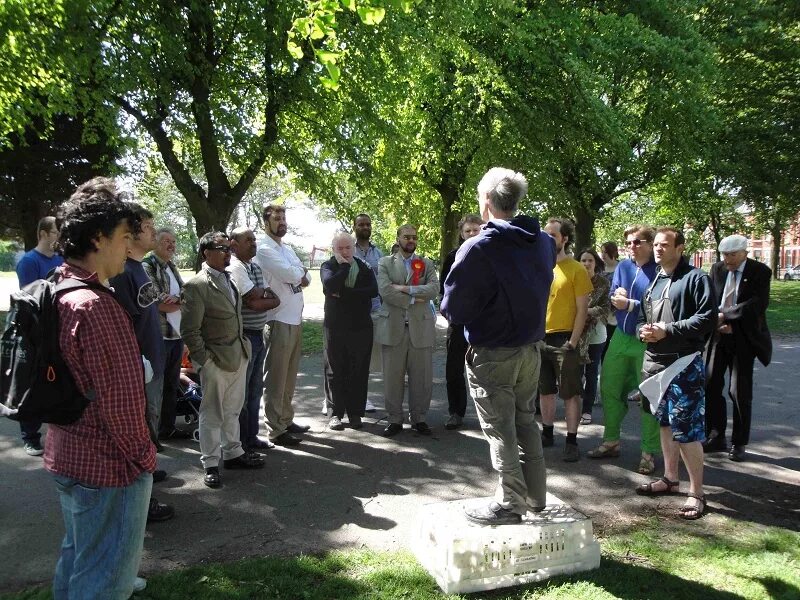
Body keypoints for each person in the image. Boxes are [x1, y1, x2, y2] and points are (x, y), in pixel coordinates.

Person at [45, 177, 155, 599]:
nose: (128, 247)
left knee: (77, 561)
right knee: (104, 581)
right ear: (97, 238)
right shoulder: (96, 306)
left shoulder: (58, 288)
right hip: (108, 468)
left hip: (66, 455)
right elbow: (123, 404)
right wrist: (144, 459)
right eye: (123, 237)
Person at [441, 167, 556, 525]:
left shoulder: (478, 247)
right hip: (530, 350)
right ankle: (536, 496)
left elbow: (455, 308)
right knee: (525, 422)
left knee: (500, 430)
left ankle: (510, 503)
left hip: (492, 353)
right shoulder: (544, 242)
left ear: (486, 201)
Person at [635, 227, 716, 520]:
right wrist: (643, 331)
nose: (658, 249)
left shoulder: (696, 278)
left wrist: (668, 329)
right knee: (665, 423)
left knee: (687, 429)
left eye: (665, 245)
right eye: (655, 244)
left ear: (680, 247)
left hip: (685, 364)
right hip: (655, 364)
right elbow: (643, 318)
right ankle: (670, 478)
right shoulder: (654, 280)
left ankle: (697, 493)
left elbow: (707, 318)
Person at [181, 232, 264, 488]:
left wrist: (243, 349)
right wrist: (204, 361)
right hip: (214, 361)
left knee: (233, 409)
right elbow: (190, 331)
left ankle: (233, 453)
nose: (228, 252)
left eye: (229, 248)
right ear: (206, 252)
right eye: (222, 248)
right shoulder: (196, 285)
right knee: (212, 414)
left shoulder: (229, 278)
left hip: (238, 355)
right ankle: (211, 463)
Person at [108, 204, 174, 524]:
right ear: (131, 234)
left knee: (149, 431)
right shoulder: (121, 275)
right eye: (148, 226)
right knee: (140, 433)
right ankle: (141, 503)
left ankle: (145, 483)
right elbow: (123, 331)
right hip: (139, 373)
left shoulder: (139, 269)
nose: (153, 231)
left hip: (154, 366)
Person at [588, 225, 661, 475]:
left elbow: (662, 304)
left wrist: (629, 303)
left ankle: (649, 452)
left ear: (651, 244)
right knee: (609, 387)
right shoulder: (623, 267)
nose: (632, 246)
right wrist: (614, 296)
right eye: (628, 242)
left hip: (648, 339)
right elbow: (612, 295)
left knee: (649, 396)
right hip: (620, 335)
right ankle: (611, 441)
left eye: (637, 242)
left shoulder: (660, 270)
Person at [703, 234, 772, 462]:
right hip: (718, 336)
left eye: (732, 255)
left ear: (744, 252)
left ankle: (739, 442)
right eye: (724, 255)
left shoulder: (760, 272)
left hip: (743, 338)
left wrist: (727, 317)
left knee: (739, 391)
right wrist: (716, 319)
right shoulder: (718, 269)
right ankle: (715, 435)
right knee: (711, 383)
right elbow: (712, 298)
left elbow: (757, 305)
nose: (728, 260)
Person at [254, 205, 311, 446]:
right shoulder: (264, 247)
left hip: (294, 319)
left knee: (289, 376)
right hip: (277, 320)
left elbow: (305, 277)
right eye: (276, 218)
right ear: (266, 222)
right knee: (276, 378)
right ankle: (275, 428)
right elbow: (292, 275)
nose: (282, 222)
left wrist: (297, 272)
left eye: (284, 217)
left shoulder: (285, 248)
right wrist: (297, 272)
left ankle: (286, 418)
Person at [375, 224, 438, 437]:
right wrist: (414, 299)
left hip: (421, 328)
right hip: (393, 327)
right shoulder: (384, 262)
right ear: (398, 238)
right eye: (406, 237)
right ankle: (394, 419)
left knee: (421, 378)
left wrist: (404, 289)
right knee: (392, 378)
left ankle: (419, 418)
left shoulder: (426, 263)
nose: (411, 240)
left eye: (414, 237)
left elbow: (433, 290)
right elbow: (385, 291)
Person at [539, 217, 593, 461]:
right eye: (545, 234)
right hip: (540, 338)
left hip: (565, 340)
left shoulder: (576, 269)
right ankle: (547, 433)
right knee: (545, 391)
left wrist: (573, 341)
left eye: (553, 235)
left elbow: (583, 310)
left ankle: (572, 440)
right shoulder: (539, 266)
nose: (548, 239)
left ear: (565, 239)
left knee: (571, 393)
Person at [322, 214, 383, 415]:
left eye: (348, 247)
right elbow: (329, 285)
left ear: (353, 248)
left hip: (360, 327)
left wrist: (344, 294)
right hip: (336, 328)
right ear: (334, 250)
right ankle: (336, 414)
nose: (345, 251)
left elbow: (373, 290)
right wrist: (345, 268)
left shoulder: (364, 267)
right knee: (335, 371)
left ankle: (356, 413)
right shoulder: (329, 266)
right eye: (340, 248)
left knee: (358, 370)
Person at [14, 216, 63, 456]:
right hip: (35, 329)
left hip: (56, 327)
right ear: (43, 233)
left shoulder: (61, 259)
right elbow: (31, 296)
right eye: (55, 232)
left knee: (54, 381)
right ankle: (30, 436)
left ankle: (59, 433)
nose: (58, 237)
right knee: (32, 383)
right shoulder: (29, 261)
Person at [228, 227, 280, 451]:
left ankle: (251, 437)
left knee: (255, 389)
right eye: (247, 240)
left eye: (254, 240)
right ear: (233, 244)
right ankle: (240, 441)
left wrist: (261, 296)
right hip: (245, 335)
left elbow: (273, 299)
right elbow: (252, 301)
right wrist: (260, 296)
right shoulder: (235, 266)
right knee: (242, 392)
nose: (253, 243)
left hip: (259, 335)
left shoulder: (255, 267)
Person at [143, 227, 191, 441]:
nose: (171, 245)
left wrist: (178, 299)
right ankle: (150, 437)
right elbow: (155, 299)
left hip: (176, 335)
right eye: (166, 241)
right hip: (159, 337)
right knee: (155, 388)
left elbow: (185, 292)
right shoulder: (147, 265)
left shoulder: (171, 266)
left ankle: (167, 429)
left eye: (173, 241)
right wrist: (173, 301)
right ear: (156, 243)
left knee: (172, 385)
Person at [439, 214, 483, 430]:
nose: (472, 234)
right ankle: (455, 411)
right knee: (454, 368)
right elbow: (443, 290)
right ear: (461, 234)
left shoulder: (491, 256)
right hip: (458, 322)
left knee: (487, 368)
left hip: (484, 321)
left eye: (476, 230)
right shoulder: (452, 257)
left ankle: (491, 414)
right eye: (468, 231)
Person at [577, 248, 611, 425]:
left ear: (595, 263)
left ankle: (587, 410)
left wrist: (587, 311)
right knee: (575, 374)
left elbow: (606, 308)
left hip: (596, 335)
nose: (586, 264)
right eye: (583, 260)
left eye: (590, 260)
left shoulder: (603, 283)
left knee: (591, 374)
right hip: (575, 333)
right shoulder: (573, 280)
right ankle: (574, 408)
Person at [600, 241, 619, 358]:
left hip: (616, 315)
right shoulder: (599, 269)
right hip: (602, 315)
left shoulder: (621, 267)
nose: (603, 255)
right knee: (603, 347)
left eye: (605, 252)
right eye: (602, 252)